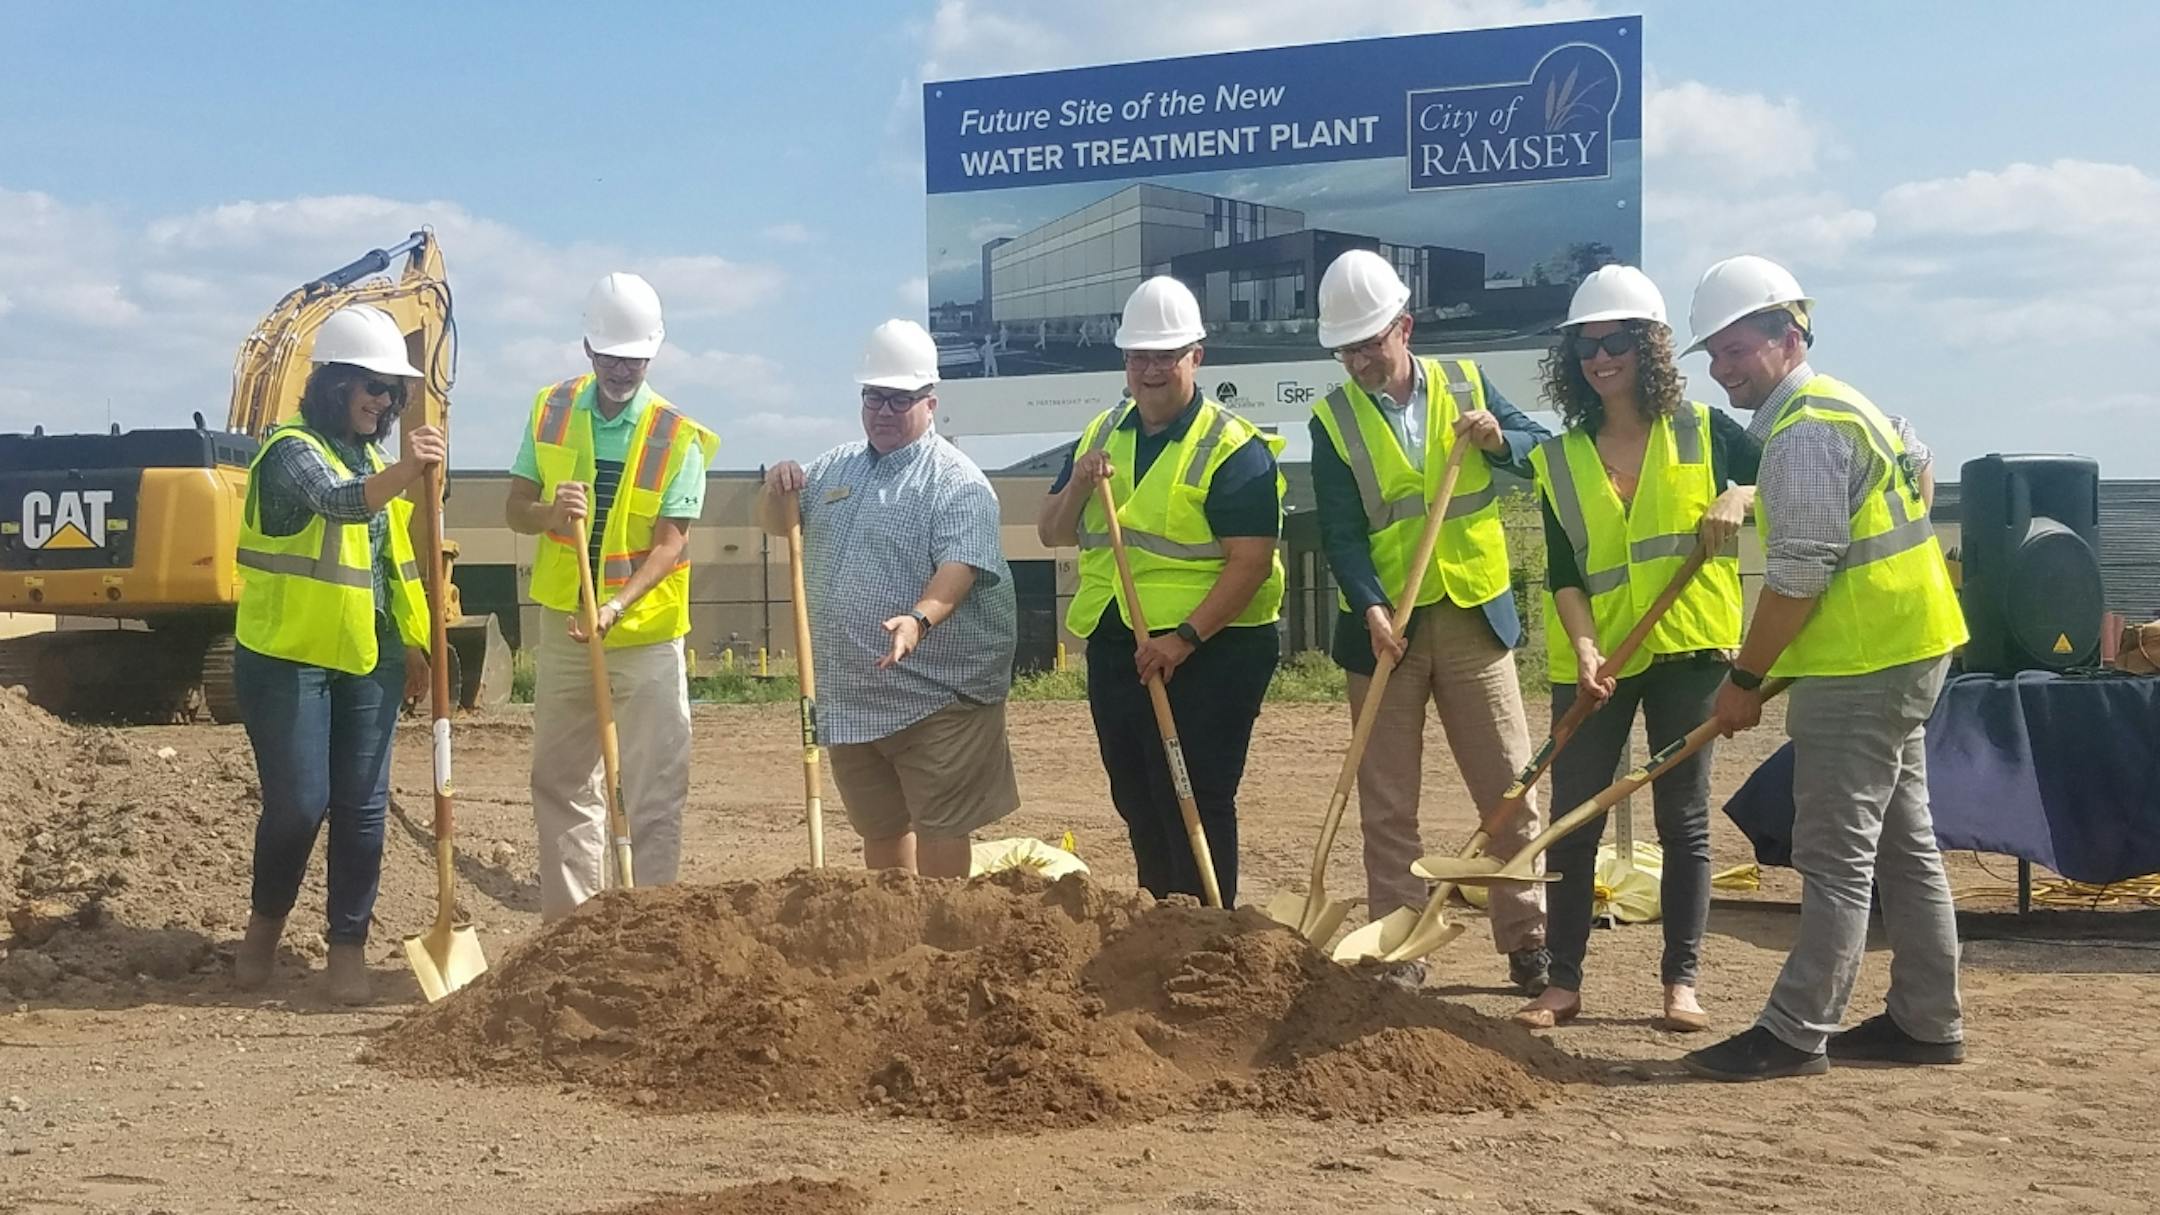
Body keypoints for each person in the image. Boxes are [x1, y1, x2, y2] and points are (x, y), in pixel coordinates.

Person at [1679, 255, 1967, 1081]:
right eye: (1715, 354)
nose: (1723, 369)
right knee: (1905, 844)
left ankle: (1795, 1031)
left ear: (1790, 336)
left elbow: (1800, 575)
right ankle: (1927, 1018)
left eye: (1737, 350)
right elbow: (1915, 471)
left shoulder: (1804, 429)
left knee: (1835, 856)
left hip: (1863, 663)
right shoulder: (1846, 404)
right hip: (1909, 645)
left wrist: (1744, 679)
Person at [1516, 266, 1759, 1032]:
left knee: (1683, 822)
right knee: (1574, 820)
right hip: (1597, 663)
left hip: (1691, 650)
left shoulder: (1708, 432)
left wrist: (1741, 494)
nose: (1600, 357)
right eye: (1586, 346)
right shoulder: (1558, 458)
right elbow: (1565, 573)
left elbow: (1788, 484)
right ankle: (1562, 983)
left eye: (1616, 341)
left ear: (1649, 346)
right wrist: (1587, 651)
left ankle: (1680, 982)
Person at [1307, 248, 1552, 993]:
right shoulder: (1332, 420)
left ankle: (1529, 938)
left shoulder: (1468, 384)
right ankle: (1401, 943)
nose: (1358, 362)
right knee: (1387, 804)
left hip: (1475, 617)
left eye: (1368, 345)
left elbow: (1543, 453)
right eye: (1346, 350)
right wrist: (1371, 607)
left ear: (1404, 328)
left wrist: (1500, 441)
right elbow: (1342, 533)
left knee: (1508, 787)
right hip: (1385, 633)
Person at [1036, 275, 1284, 904]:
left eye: (1165, 357)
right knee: (1138, 795)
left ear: (1195, 357)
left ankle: (1207, 925)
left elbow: (1250, 564)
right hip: (1120, 644)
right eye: (1139, 356)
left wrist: (1184, 640)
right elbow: (1052, 532)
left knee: (1194, 795)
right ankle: (1157, 919)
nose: (1150, 371)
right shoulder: (1101, 433)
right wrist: (1079, 486)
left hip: (1213, 651)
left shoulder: (1234, 449)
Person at [231, 304, 441, 1004]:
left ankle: (347, 945)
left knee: (363, 808)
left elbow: (393, 566)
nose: (384, 402)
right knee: (300, 804)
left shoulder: (374, 458)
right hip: (288, 656)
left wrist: (413, 642)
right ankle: (265, 926)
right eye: (373, 386)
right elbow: (341, 503)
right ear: (335, 382)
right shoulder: (291, 451)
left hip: (369, 654)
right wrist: (408, 470)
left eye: (393, 392)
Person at [757, 319, 1019, 876]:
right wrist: (776, 488)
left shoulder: (957, 482)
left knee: (940, 826)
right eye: (873, 396)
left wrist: (918, 620)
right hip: (853, 699)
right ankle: (892, 922)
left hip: (937, 696)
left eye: (899, 400)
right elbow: (780, 524)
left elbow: (960, 567)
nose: (883, 411)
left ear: (930, 403)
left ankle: (943, 925)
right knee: (880, 829)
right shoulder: (835, 467)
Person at [505, 272, 719, 921]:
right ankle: (573, 927)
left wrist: (617, 605)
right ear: (588, 348)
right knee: (563, 780)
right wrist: (549, 513)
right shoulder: (550, 408)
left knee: (655, 785)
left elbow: (670, 544)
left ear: (653, 353)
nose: (623, 369)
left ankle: (649, 922)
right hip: (567, 627)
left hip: (645, 633)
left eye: (635, 358)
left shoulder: (676, 434)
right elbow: (514, 509)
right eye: (611, 356)